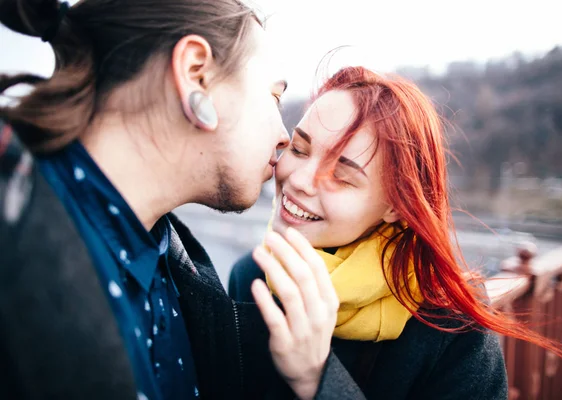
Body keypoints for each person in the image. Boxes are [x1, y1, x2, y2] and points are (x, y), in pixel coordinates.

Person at [0, 0, 352, 399]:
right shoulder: (12, 243)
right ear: (195, 74)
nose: (284, 135)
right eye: (273, 97)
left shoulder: (172, 273)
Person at [230, 66, 562, 399]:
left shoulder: (449, 324)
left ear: (395, 207)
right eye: (299, 148)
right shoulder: (253, 275)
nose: (300, 180)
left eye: (342, 175)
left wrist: (316, 377)